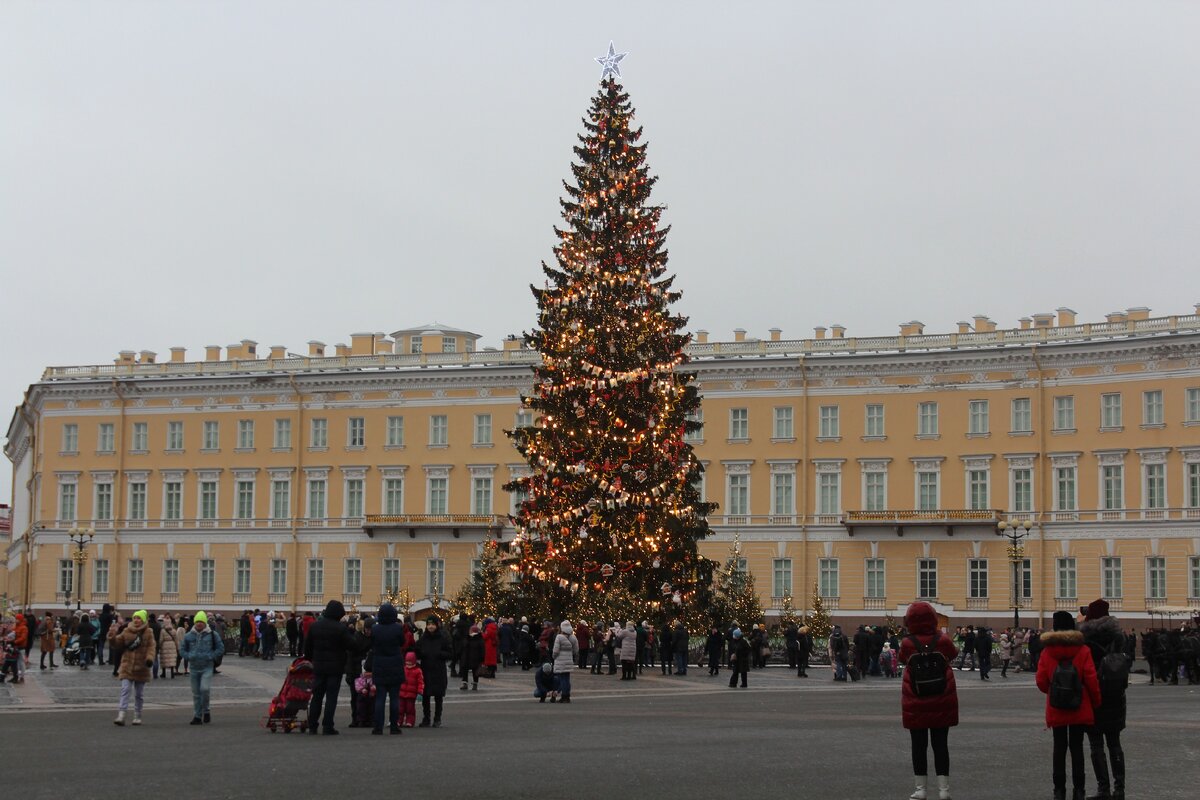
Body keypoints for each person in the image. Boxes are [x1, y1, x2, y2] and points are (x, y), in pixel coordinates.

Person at [1036, 611, 1101, 800]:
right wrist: (1095, 702)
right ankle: (1079, 789)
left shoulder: (1047, 651)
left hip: (1056, 707)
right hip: (1079, 706)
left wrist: (1053, 691)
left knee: (1059, 748)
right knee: (1077, 748)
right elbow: (1091, 680)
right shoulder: (1083, 650)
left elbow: (1040, 681)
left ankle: (1059, 789)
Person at [899, 601, 959, 800]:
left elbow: (901, 659)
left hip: (916, 700)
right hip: (942, 698)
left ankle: (920, 789)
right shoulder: (942, 640)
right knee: (941, 745)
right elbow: (953, 654)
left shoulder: (908, 643)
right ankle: (944, 790)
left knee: (918, 746)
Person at [1079, 599, 1128, 800]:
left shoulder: (1086, 637)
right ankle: (1120, 789)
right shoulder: (1119, 636)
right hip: (1117, 696)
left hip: (1095, 696)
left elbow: (1085, 669)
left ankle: (1103, 788)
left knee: (1096, 744)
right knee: (1115, 743)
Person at [303, 600, 359, 735]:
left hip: (319, 667)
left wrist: (312, 660)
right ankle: (328, 726)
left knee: (317, 696)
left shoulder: (315, 626)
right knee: (331, 697)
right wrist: (351, 632)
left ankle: (312, 725)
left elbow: (307, 647)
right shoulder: (340, 628)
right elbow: (352, 645)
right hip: (335, 667)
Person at [111, 609, 156, 726]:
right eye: (135, 618)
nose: (136, 620)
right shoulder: (127, 631)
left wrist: (149, 658)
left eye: (139, 618)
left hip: (142, 667)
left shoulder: (148, 632)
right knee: (125, 690)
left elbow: (152, 647)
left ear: (143, 620)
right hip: (127, 665)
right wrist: (111, 636)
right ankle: (121, 714)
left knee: (139, 694)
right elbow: (117, 643)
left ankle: (137, 715)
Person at [180, 610, 224, 725]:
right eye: (197, 622)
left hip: (207, 667)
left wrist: (211, 656)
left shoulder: (212, 634)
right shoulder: (189, 636)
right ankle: (197, 716)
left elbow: (220, 648)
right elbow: (182, 649)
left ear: (205, 623)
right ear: (194, 623)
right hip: (194, 667)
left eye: (201, 622)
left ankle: (206, 710)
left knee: (204, 689)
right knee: (196, 693)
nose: (199, 624)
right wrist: (189, 656)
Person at [370, 603, 406, 735]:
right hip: (395, 663)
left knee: (380, 698)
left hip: (379, 663)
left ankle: (378, 727)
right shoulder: (397, 628)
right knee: (394, 698)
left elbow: (372, 643)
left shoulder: (375, 628)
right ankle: (394, 726)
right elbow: (402, 642)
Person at [415, 616, 452, 727]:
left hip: (438, 670)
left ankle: (437, 718)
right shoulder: (423, 638)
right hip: (425, 670)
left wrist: (441, 654)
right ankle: (426, 718)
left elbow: (450, 653)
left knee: (438, 696)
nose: (431, 626)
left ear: (437, 625)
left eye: (433, 624)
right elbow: (417, 651)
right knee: (425, 696)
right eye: (429, 624)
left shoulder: (443, 638)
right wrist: (420, 653)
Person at [551, 620, 579, 702]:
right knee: (567, 679)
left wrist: (554, 657)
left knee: (562, 679)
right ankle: (567, 695)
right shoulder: (573, 637)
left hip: (560, 660)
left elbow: (555, 651)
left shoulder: (559, 637)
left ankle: (564, 696)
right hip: (569, 660)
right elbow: (576, 650)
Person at [459, 623, 484, 691]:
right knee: (475, 671)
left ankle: (465, 684)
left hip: (466, 657)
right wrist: (482, 659)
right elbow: (482, 650)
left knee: (465, 670)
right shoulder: (480, 639)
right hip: (475, 658)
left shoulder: (467, 638)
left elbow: (462, 647)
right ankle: (474, 684)